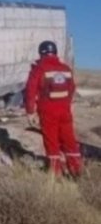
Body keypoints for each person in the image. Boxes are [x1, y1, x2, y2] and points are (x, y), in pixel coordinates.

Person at [25, 40, 82, 177]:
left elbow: (30, 91)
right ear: (55, 52)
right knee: (69, 140)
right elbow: (71, 89)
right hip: (65, 111)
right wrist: (65, 104)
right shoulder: (66, 69)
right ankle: (76, 170)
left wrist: (30, 111)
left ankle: (55, 173)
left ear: (41, 53)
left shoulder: (39, 69)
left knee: (51, 141)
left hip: (48, 112)